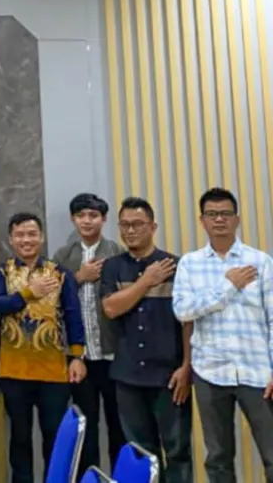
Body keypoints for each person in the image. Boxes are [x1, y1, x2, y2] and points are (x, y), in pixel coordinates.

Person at [172, 187, 273, 483]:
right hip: (210, 371)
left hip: (258, 372)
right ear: (202, 220)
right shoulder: (190, 264)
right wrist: (228, 286)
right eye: (212, 214)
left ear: (237, 219)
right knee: (218, 458)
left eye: (226, 213)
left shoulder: (261, 261)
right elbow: (183, 311)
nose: (219, 219)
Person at [0, 212, 86, 483]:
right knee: (19, 440)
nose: (26, 240)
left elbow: (73, 315)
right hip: (13, 371)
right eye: (20, 235)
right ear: (10, 239)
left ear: (41, 238)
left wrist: (77, 357)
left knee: (54, 438)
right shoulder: (2, 272)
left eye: (32, 234)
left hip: (53, 371)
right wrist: (29, 292)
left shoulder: (60, 273)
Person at [100, 197, 192, 483]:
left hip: (169, 376)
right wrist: (146, 281)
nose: (130, 231)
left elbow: (189, 321)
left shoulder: (176, 265)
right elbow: (111, 308)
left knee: (177, 451)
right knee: (140, 453)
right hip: (127, 375)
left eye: (138, 224)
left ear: (153, 227)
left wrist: (187, 367)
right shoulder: (113, 267)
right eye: (124, 225)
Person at [52, 193, 125, 475]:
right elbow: (50, 300)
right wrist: (78, 277)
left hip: (114, 354)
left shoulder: (116, 251)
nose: (87, 221)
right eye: (81, 215)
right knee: (86, 428)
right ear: (73, 219)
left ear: (103, 219)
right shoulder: (62, 256)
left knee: (120, 426)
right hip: (80, 358)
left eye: (93, 215)